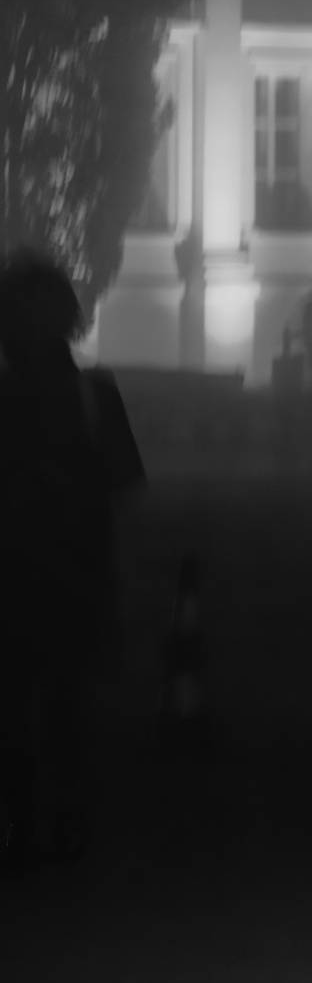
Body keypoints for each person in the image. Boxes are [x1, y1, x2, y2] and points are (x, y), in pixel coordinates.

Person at [0, 250, 143, 872]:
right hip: (75, 580)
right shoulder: (94, 396)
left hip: (19, 583)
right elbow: (125, 489)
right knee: (66, 713)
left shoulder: (12, 399)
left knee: (19, 714)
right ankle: (64, 825)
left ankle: (23, 827)